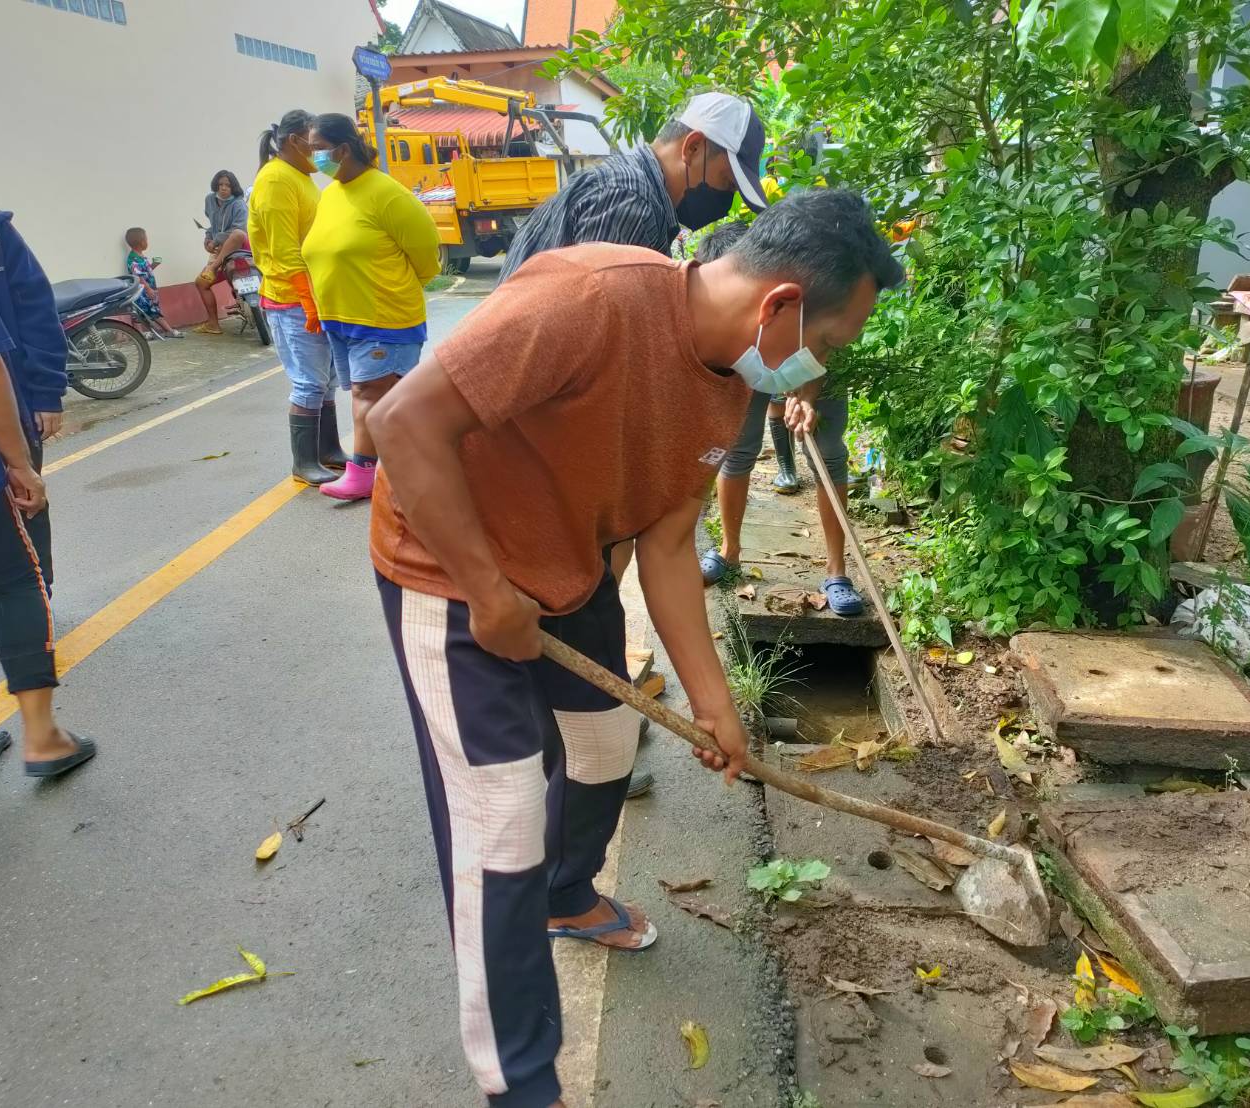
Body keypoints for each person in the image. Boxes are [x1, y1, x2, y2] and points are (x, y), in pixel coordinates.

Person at [367, 188, 903, 1108]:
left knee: (608, 749)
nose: (820, 371)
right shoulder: (589, 298)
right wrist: (489, 590)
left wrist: (716, 706)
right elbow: (402, 422)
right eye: (831, 343)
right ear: (779, 305)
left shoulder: (732, 379)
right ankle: (522, 1085)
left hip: (571, 569)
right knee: (496, 825)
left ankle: (566, 894)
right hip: (449, 574)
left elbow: (664, 547)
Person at [499, 88, 771, 797]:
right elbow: (608, 343)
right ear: (694, 149)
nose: (723, 204)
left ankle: (591, 722)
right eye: (722, 182)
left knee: (585, 594)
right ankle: (582, 746)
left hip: (530, 428)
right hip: (534, 440)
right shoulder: (633, 206)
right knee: (572, 596)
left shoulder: (618, 181)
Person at [0, 175, 96, 788]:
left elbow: (37, 313)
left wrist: (45, 390)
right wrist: (17, 461)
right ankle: (42, 737)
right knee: (12, 584)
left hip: (7, 417)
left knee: (21, 569)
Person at [695, 221, 865, 614]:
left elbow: (825, 350)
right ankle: (728, 552)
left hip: (814, 361)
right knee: (738, 450)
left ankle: (837, 571)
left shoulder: (814, 289)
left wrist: (805, 394)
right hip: (746, 364)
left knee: (828, 454)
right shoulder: (716, 316)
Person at [301, 112, 440, 502]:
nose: (314, 158)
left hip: (383, 316)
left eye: (319, 149)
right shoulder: (332, 195)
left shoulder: (388, 194)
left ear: (344, 149)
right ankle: (409, 466)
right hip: (341, 319)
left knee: (371, 395)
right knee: (376, 397)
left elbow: (427, 255)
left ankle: (364, 473)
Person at [248, 109, 347, 485]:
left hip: (315, 295)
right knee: (308, 381)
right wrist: (306, 298)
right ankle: (303, 462)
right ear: (294, 141)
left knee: (327, 378)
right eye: (314, 143)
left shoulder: (301, 178)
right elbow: (284, 250)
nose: (320, 151)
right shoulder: (275, 181)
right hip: (291, 298)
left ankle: (327, 450)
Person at [193, 170, 249, 335]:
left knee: (238, 233)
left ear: (234, 187)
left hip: (240, 249)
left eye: (228, 185)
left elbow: (239, 229)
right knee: (201, 283)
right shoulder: (210, 200)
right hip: (219, 253)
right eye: (220, 185)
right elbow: (212, 225)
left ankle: (214, 267)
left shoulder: (239, 204)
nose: (224, 188)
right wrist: (207, 239)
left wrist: (216, 240)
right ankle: (213, 324)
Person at [124, 227, 179, 340]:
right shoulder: (133, 258)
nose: (148, 242)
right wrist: (148, 289)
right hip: (142, 291)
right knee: (150, 311)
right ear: (141, 242)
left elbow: (145, 272)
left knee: (143, 311)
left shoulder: (141, 257)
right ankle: (169, 330)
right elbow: (138, 276)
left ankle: (142, 333)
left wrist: (153, 265)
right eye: (146, 239)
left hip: (148, 289)